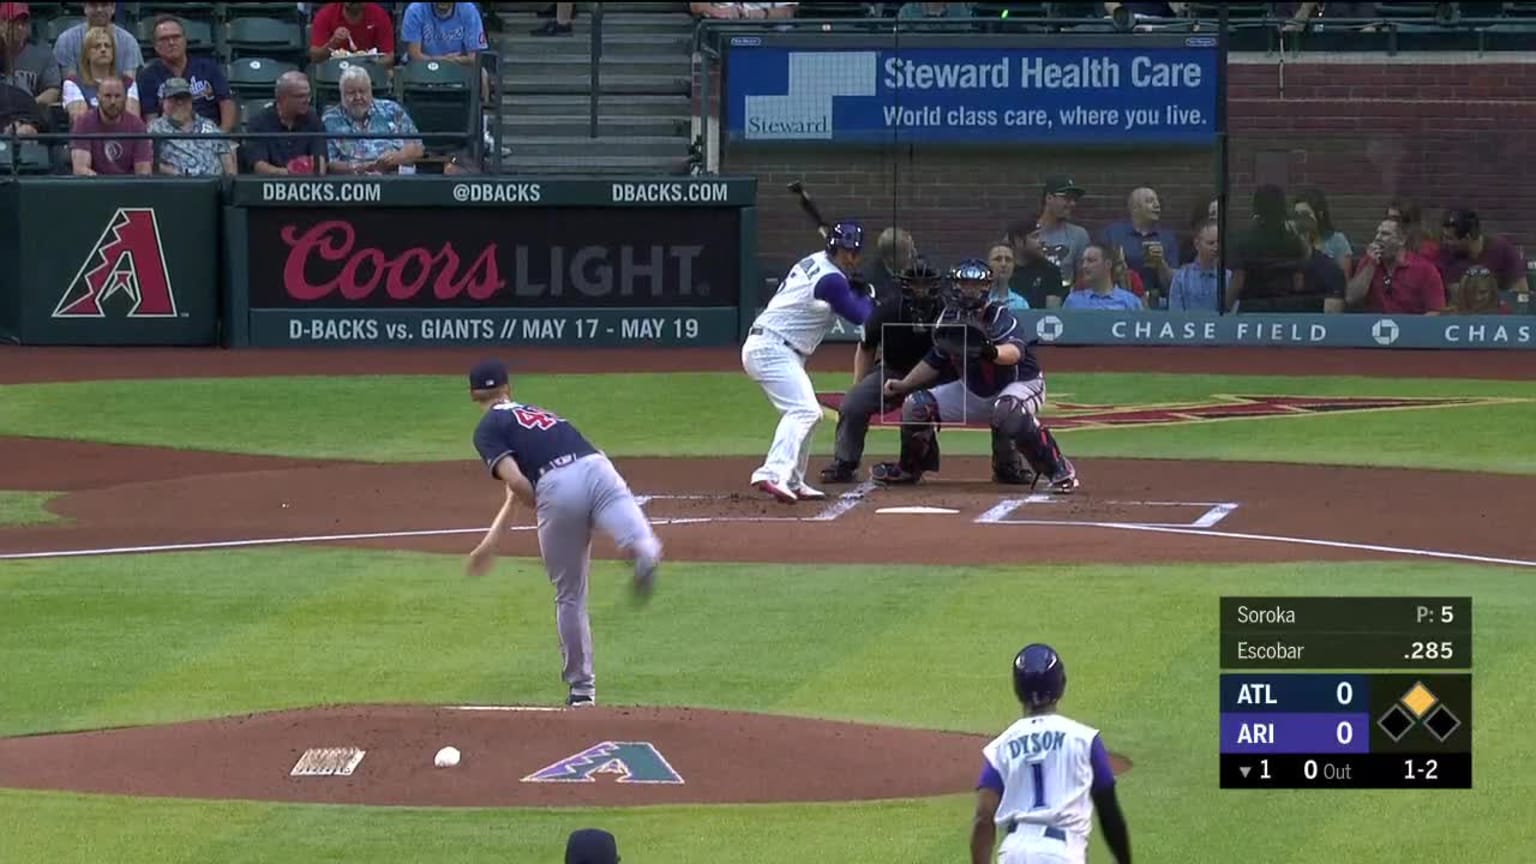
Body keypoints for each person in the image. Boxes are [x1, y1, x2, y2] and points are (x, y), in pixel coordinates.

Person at [465, 359, 663, 708]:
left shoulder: (488, 429)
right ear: (508, 390)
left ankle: (582, 690)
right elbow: (514, 491)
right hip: (596, 465)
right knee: (626, 519)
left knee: (570, 595)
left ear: (473, 396)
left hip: (556, 484)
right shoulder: (544, 416)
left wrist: (546, 502)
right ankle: (642, 546)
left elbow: (515, 482)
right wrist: (490, 542)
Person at [879, 259, 1078, 493]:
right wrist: (904, 385)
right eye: (965, 284)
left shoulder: (1000, 316)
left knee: (1007, 410)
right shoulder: (948, 319)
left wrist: (990, 351)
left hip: (1019, 384)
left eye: (976, 284)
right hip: (973, 389)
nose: (970, 290)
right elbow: (935, 359)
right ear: (955, 286)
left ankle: (1058, 469)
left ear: (987, 287)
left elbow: (1015, 353)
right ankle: (909, 468)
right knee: (916, 405)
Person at [743, 221, 875, 504]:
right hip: (772, 348)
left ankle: (793, 480)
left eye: (853, 253)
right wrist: (866, 295)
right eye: (845, 252)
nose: (850, 258)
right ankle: (772, 472)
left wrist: (853, 288)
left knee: (807, 411)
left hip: (777, 347)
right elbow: (862, 316)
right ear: (834, 248)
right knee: (804, 411)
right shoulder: (831, 280)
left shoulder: (816, 262)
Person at [971, 644, 1132, 864]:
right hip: (1061, 852)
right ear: (1060, 684)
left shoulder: (1001, 746)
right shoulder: (1084, 739)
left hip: (1013, 853)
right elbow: (1109, 812)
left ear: (1017, 689)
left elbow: (983, 816)